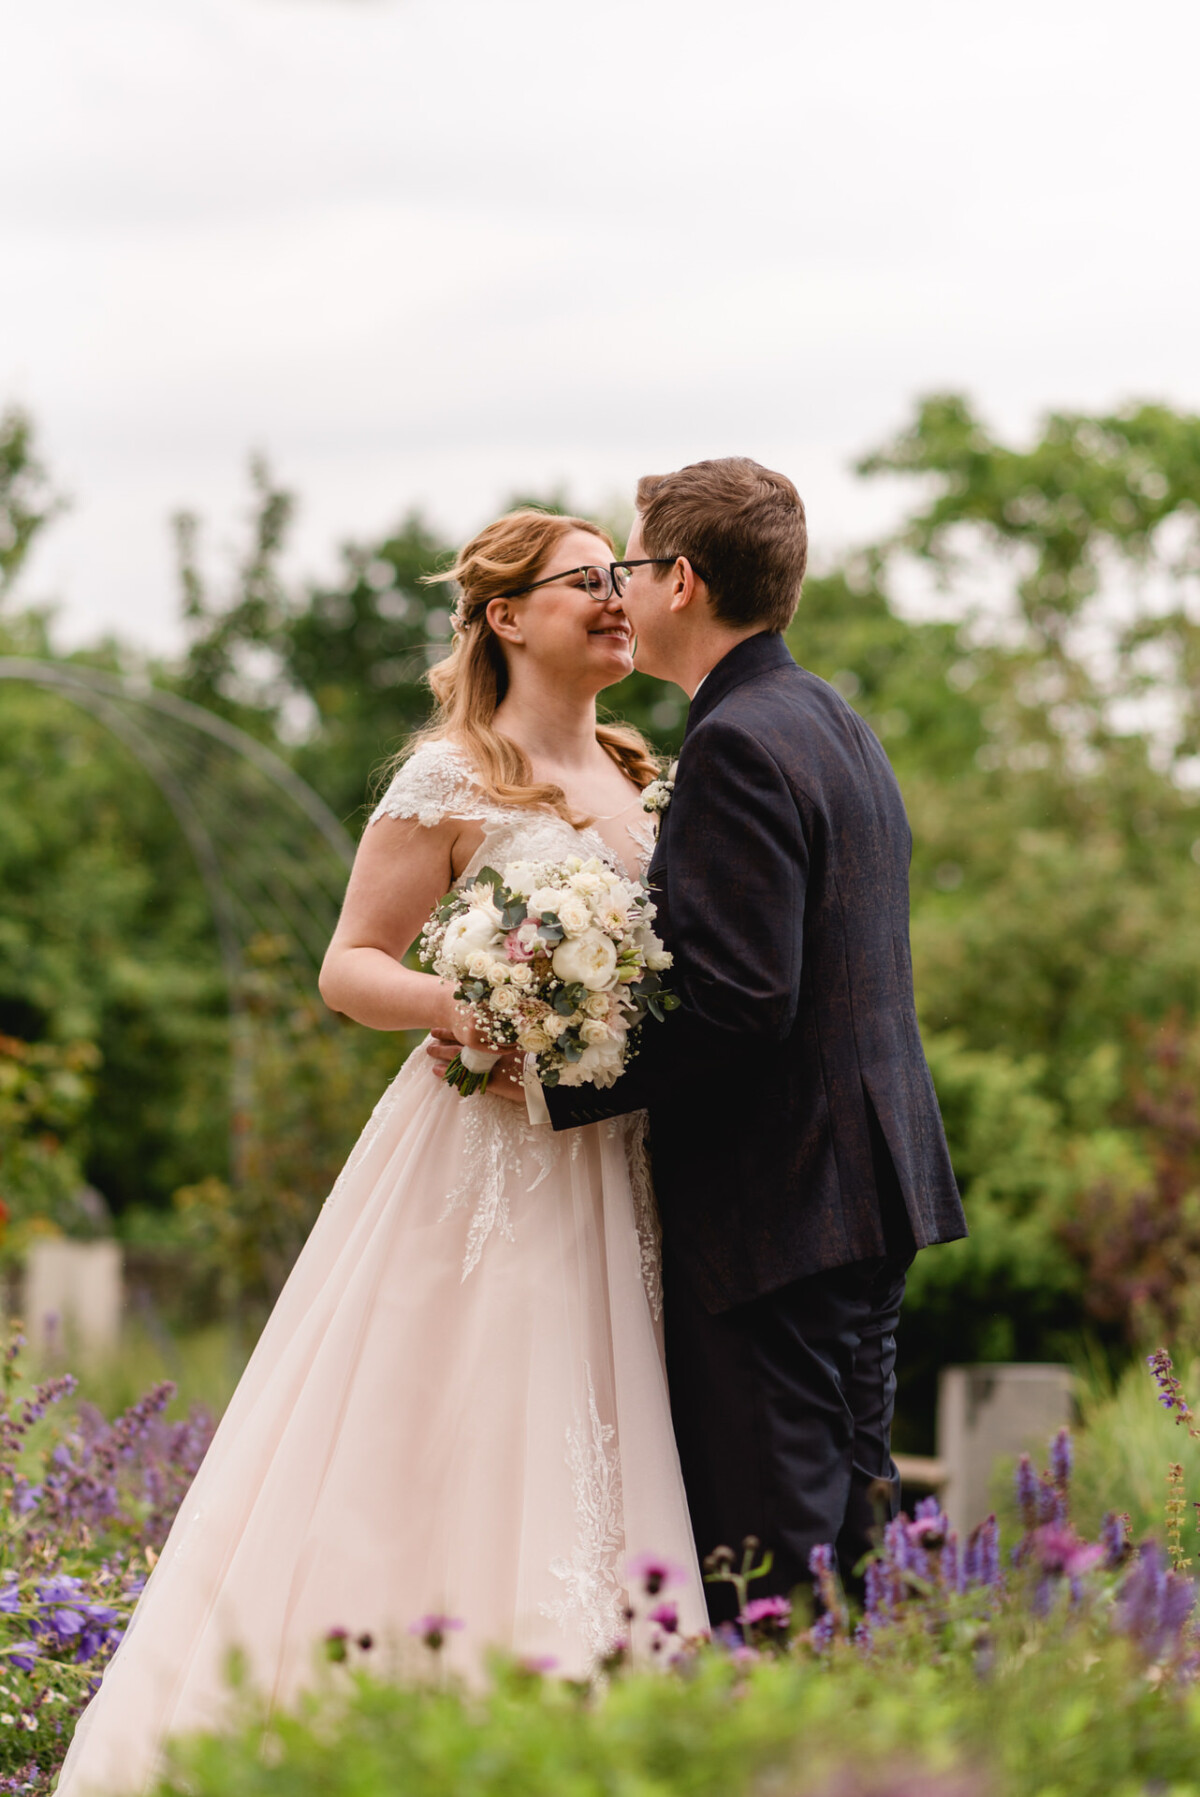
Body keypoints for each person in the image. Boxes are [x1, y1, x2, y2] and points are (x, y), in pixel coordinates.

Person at [54, 509, 707, 1797]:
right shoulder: (449, 775)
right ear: (507, 617)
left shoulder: (647, 777)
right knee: (455, 1421)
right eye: (587, 582)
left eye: (617, 579)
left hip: (618, 1160)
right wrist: (472, 1004)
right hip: (482, 1153)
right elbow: (348, 966)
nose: (617, 600)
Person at [431, 459, 967, 1615]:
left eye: (626, 565)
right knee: (844, 1547)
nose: (619, 590)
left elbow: (738, 1003)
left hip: (773, 1217)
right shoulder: (829, 718)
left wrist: (549, 1078)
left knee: (767, 1567)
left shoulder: (732, 742)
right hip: (865, 1195)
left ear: (680, 579)